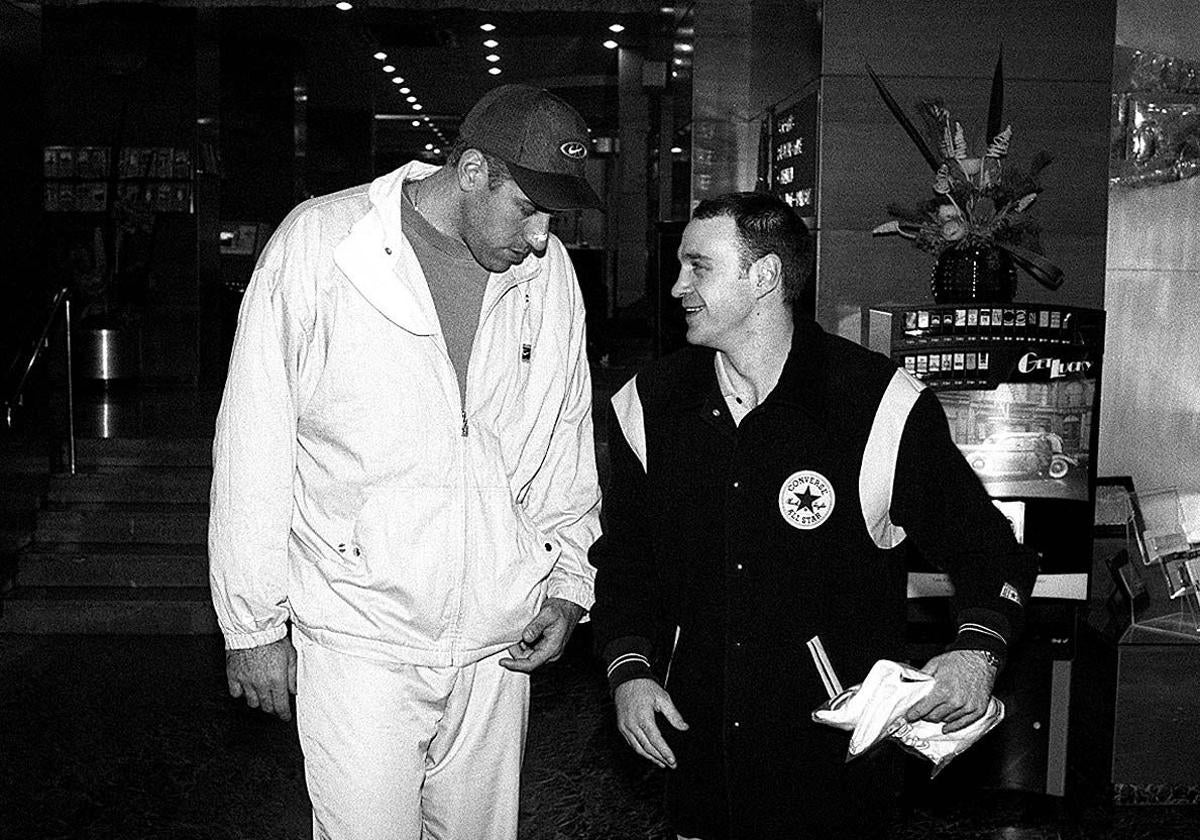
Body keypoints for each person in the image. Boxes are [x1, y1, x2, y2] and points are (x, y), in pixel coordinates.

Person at [208, 84, 602, 840]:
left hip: (497, 639)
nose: (544, 237)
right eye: (531, 208)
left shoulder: (546, 279)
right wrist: (252, 625)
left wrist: (568, 581)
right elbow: (254, 441)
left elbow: (564, 437)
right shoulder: (323, 245)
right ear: (475, 170)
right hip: (361, 633)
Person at [590, 191, 1039, 840]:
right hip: (699, 763)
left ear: (765, 277)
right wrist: (628, 670)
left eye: (698, 266)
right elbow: (627, 563)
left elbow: (992, 554)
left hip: (833, 775)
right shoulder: (646, 408)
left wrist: (978, 651)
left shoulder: (879, 406)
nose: (676, 285)